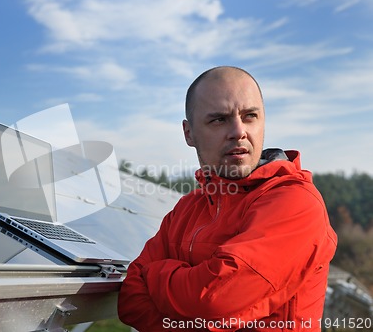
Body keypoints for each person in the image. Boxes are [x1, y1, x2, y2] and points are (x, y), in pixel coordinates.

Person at [117, 66, 337, 331]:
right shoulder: (186, 209)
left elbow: (213, 300)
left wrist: (154, 275)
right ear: (189, 133)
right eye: (219, 119)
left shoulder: (295, 203)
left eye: (250, 116)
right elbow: (130, 301)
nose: (238, 131)